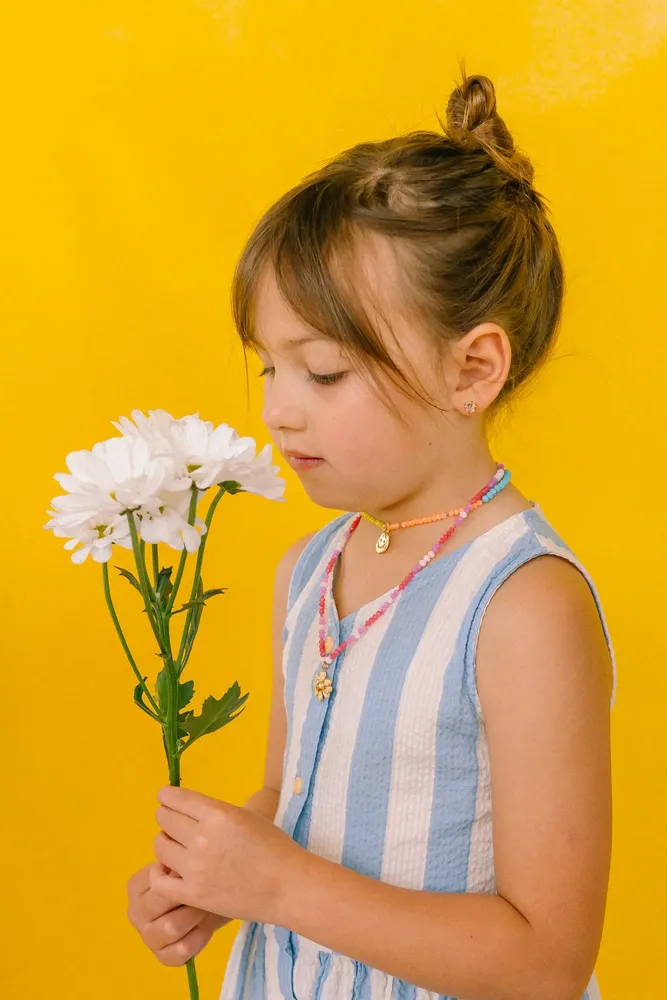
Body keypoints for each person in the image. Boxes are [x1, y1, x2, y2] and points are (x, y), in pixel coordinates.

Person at [126, 68, 616, 1000]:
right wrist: (215, 882)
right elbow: (290, 800)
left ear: (472, 367)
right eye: (266, 366)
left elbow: (546, 961)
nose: (277, 411)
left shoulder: (522, 606)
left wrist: (278, 883)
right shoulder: (308, 567)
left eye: (321, 372)